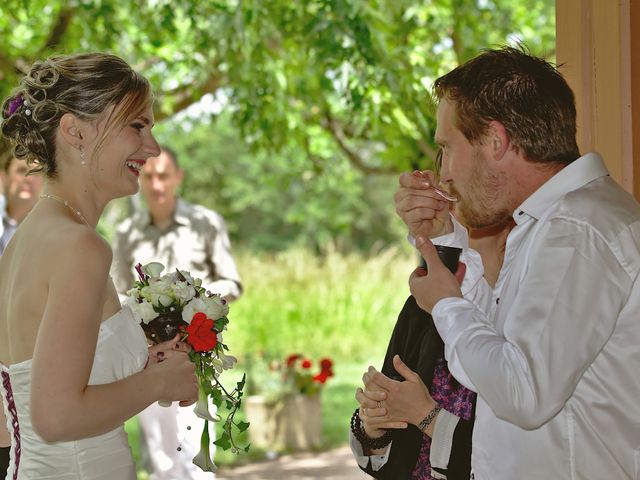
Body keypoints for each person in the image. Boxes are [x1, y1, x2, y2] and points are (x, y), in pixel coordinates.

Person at [396, 46, 640, 479]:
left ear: (495, 140)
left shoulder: (577, 230)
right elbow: (494, 358)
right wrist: (446, 241)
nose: (444, 173)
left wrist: (446, 305)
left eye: (448, 148)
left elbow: (523, 391)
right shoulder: (547, 223)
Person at [0, 52, 199, 480]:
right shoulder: (80, 247)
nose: (153, 148)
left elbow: (11, 416)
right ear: (74, 131)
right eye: (137, 126)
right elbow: (56, 418)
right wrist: (161, 384)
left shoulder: (23, 243)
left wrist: (141, 363)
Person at [112, 147, 242, 479]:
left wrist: (195, 300)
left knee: (196, 452)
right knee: (160, 457)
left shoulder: (207, 223)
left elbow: (232, 281)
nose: (157, 185)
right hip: (150, 355)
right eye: (150, 176)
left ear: (177, 177)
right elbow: (118, 292)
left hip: (196, 354)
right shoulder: (127, 233)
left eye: (164, 176)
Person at [351, 217, 511, 479]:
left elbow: (513, 455)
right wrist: (375, 423)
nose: (447, 245)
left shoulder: (521, 321)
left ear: (509, 239)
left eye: (461, 232)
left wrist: (427, 416)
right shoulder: (421, 309)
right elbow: (390, 459)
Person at [0, 156, 44, 255]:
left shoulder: (50, 227)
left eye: (36, 173)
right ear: (3, 177)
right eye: (21, 170)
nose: (28, 179)